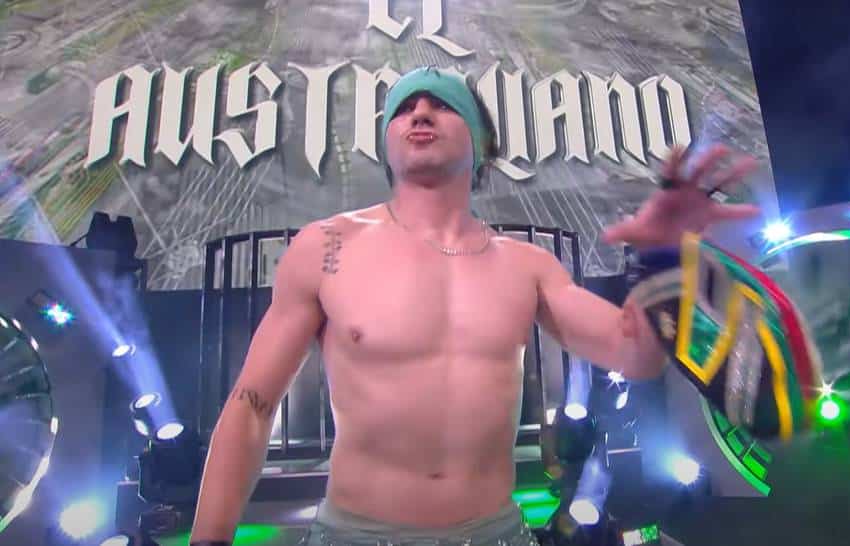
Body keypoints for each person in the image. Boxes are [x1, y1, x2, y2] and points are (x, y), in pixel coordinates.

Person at [188, 67, 760, 546]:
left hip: (495, 535)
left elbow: (635, 354)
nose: (420, 113)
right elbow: (251, 407)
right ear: (387, 142)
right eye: (404, 108)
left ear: (483, 143)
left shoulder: (527, 265)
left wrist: (664, 256)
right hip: (354, 535)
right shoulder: (328, 247)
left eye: (442, 105)